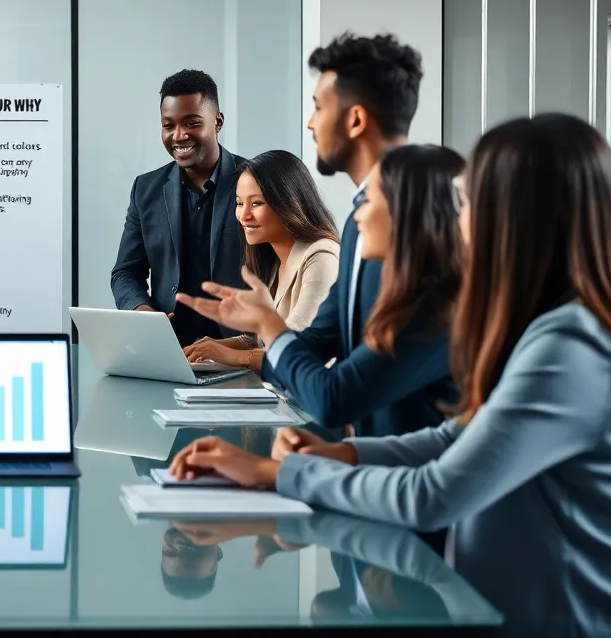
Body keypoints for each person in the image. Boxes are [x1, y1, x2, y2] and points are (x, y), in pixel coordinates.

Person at [167, 114, 611, 636]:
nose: (456, 219)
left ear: (515, 217)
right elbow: (454, 439)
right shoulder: (548, 327)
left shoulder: (572, 347)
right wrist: (341, 454)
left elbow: (436, 492)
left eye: (469, 201)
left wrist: (278, 474)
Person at [183, 145, 464, 437]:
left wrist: (266, 325)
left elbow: (333, 397)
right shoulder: (404, 293)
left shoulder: (429, 312)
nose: (356, 217)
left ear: (405, 213)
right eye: (240, 203)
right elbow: (312, 343)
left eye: (368, 200)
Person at [256, 34, 424, 404]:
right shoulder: (356, 223)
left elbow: (342, 393)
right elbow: (322, 338)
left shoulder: (414, 228)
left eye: (318, 107)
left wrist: (267, 327)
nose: (310, 124)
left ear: (356, 120)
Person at [111, 70, 245, 347]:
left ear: (217, 122)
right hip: (169, 349)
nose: (179, 136)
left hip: (239, 349)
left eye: (192, 123)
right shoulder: (145, 189)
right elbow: (125, 272)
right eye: (168, 125)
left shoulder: (256, 181)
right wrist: (141, 311)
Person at [183, 150, 340, 373]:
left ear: (288, 202)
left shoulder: (321, 257)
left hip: (307, 403)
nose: (243, 215)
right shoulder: (273, 261)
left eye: (256, 203)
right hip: (279, 397)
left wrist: (232, 356)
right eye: (239, 203)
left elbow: (297, 351)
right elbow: (259, 341)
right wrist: (206, 348)